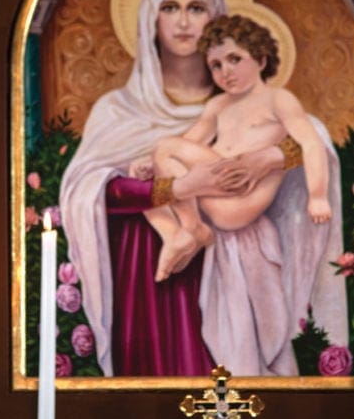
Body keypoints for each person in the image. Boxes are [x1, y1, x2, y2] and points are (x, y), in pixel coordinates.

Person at [60, 0, 347, 377]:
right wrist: (179, 186)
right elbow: (88, 187)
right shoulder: (118, 111)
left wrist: (271, 157)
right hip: (148, 279)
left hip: (237, 253)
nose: (182, 22)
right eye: (169, 8)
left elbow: (311, 137)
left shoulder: (255, 102)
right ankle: (180, 232)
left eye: (196, 8)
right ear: (148, 20)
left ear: (216, 18)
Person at [139, 14, 332, 282]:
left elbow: (311, 142)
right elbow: (191, 141)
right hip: (217, 192)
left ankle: (191, 228)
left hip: (243, 195)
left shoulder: (278, 99)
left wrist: (318, 195)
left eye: (234, 59)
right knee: (146, 189)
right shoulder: (217, 107)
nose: (225, 71)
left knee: (165, 150)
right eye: (215, 65)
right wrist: (153, 164)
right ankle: (181, 232)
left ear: (261, 60)